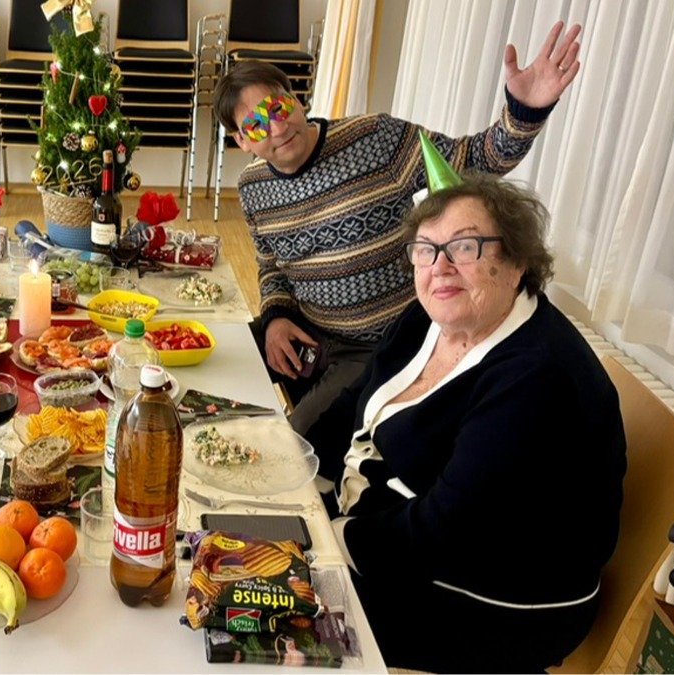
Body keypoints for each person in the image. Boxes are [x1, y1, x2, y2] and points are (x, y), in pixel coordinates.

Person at [305, 171, 626, 672]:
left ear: (516, 262)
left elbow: (447, 530)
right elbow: (355, 402)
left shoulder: (538, 375)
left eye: (465, 247)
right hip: (393, 532)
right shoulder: (430, 318)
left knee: (272, 608)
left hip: (492, 601)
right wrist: (300, 470)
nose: (440, 267)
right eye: (426, 249)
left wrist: (325, 541)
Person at [215, 21, 583, 435]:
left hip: (379, 344)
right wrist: (276, 318)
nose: (278, 127)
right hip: (308, 330)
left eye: (279, 108)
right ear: (241, 141)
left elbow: (473, 160)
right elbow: (270, 265)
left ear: (296, 100)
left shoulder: (376, 139)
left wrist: (524, 112)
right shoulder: (252, 187)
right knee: (211, 364)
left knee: (294, 441)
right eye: (256, 125)